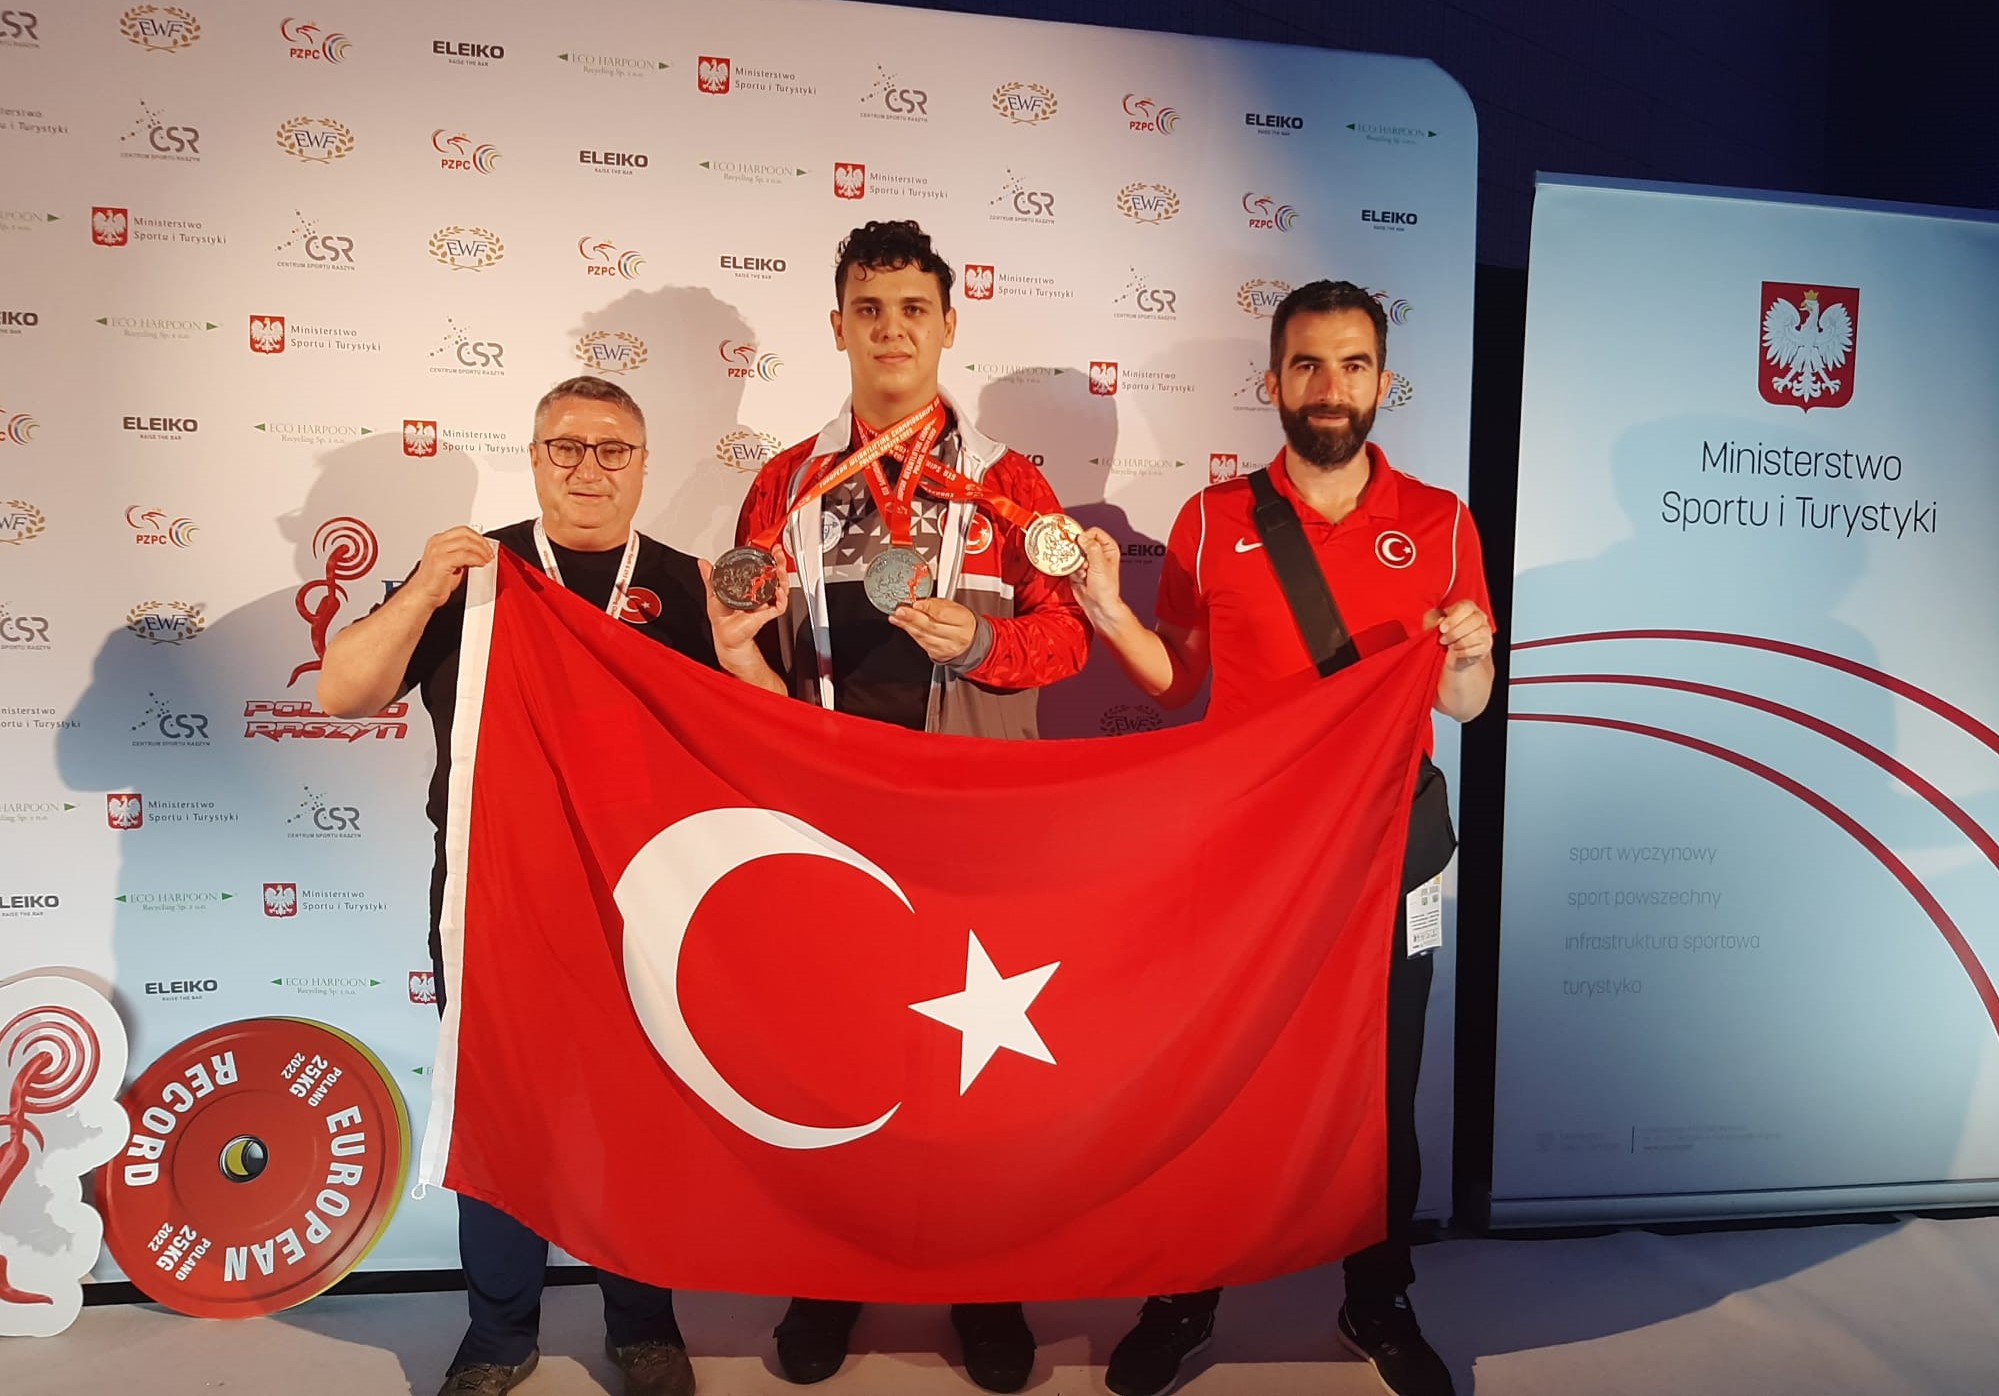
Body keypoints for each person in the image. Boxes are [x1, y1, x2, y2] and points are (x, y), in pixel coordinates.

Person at [1068, 280, 1495, 1396]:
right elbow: (1180, 682)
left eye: (1352, 365)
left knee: (1381, 1079)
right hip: (1245, 846)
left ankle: (1376, 1294)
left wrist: (1466, 653)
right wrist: (1108, 610)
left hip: (1390, 843)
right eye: (1307, 365)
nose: (1329, 387)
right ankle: (1186, 1287)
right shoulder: (1214, 518)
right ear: (1273, 382)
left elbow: (1465, 704)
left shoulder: (1442, 519)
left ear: (1383, 381)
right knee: (1219, 1070)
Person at [703, 219, 1091, 1391]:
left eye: (912, 309)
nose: (890, 330)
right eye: (868, 310)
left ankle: (986, 1281)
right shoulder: (784, 481)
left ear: (948, 325)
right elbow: (750, 637)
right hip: (833, 811)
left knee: (976, 1070)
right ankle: (830, 1271)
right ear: (836, 327)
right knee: (836, 1051)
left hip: (977, 815)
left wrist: (981, 643)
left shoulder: (1009, 482)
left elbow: (1068, 639)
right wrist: (736, 649)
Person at [318, 375, 715, 1396]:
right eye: (565, 447)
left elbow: (756, 741)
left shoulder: (689, 584)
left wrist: (745, 636)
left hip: (640, 900)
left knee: (638, 1114)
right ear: (534, 458)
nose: (588, 468)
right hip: (493, 893)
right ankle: (498, 1334)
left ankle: (644, 1324)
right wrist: (419, 591)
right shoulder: (470, 572)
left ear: (643, 463)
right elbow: (342, 690)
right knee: (498, 1110)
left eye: (612, 448)